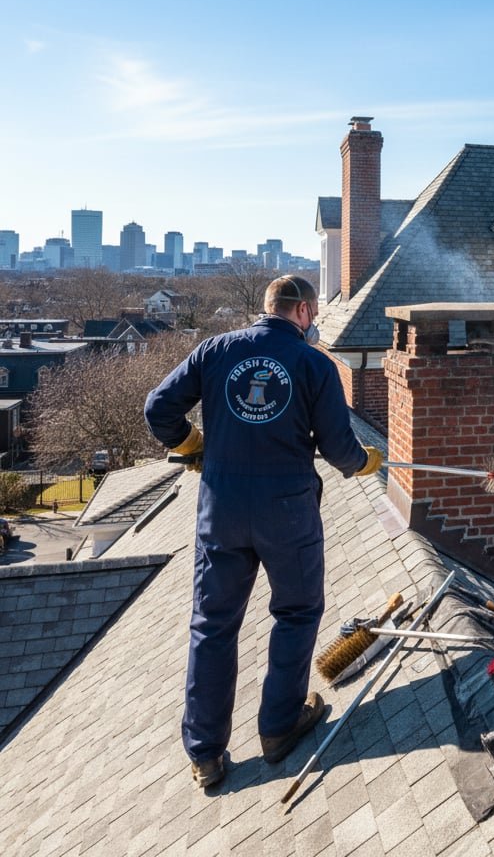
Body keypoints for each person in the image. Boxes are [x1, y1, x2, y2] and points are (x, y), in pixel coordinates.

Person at [144, 275, 382, 788]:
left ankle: (206, 755)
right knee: (296, 612)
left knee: (212, 625)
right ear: (304, 311)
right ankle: (278, 726)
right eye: (314, 315)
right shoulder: (314, 365)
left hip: (222, 510)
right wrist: (365, 462)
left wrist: (191, 444)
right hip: (287, 513)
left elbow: (157, 408)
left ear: (267, 307)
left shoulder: (215, 351)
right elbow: (338, 448)